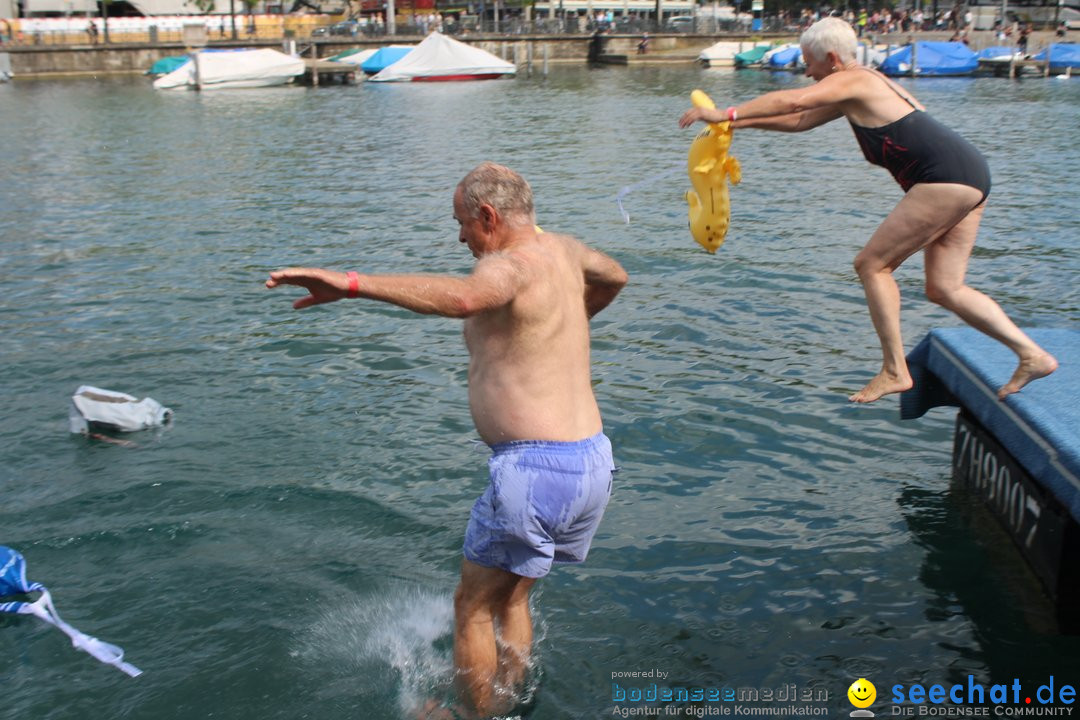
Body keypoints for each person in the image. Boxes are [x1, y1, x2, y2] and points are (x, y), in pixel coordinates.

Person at [267, 162, 628, 718]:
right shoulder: (567, 251)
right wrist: (556, 329)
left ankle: (472, 716)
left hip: (534, 470)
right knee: (514, 594)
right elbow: (616, 276)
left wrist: (353, 284)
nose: (459, 236)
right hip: (591, 462)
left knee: (472, 607)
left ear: (488, 216)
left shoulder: (509, 267)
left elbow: (465, 298)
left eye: (461, 223)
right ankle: (509, 695)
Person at [678, 16, 1057, 403]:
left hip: (945, 178)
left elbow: (794, 100)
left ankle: (895, 369)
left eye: (809, 62)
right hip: (966, 175)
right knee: (945, 287)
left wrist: (726, 113)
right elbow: (799, 119)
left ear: (830, 58)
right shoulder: (856, 89)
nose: (806, 71)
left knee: (872, 265)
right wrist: (739, 128)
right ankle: (1031, 354)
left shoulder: (857, 79)